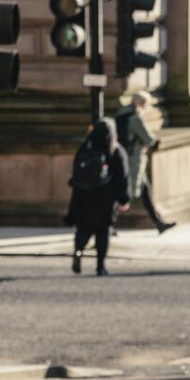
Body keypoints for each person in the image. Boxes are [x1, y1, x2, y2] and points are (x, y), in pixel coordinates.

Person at [65, 118, 129, 276]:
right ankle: (100, 265)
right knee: (103, 230)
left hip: (83, 194)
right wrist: (124, 199)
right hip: (105, 197)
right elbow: (122, 176)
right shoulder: (115, 150)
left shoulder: (85, 147)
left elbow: (76, 171)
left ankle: (78, 252)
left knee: (83, 228)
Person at [115, 92, 175, 233]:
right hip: (133, 160)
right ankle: (107, 224)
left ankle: (158, 222)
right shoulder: (135, 118)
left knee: (145, 191)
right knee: (125, 194)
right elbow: (148, 139)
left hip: (127, 158)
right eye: (147, 104)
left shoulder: (122, 114)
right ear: (142, 104)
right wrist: (154, 143)